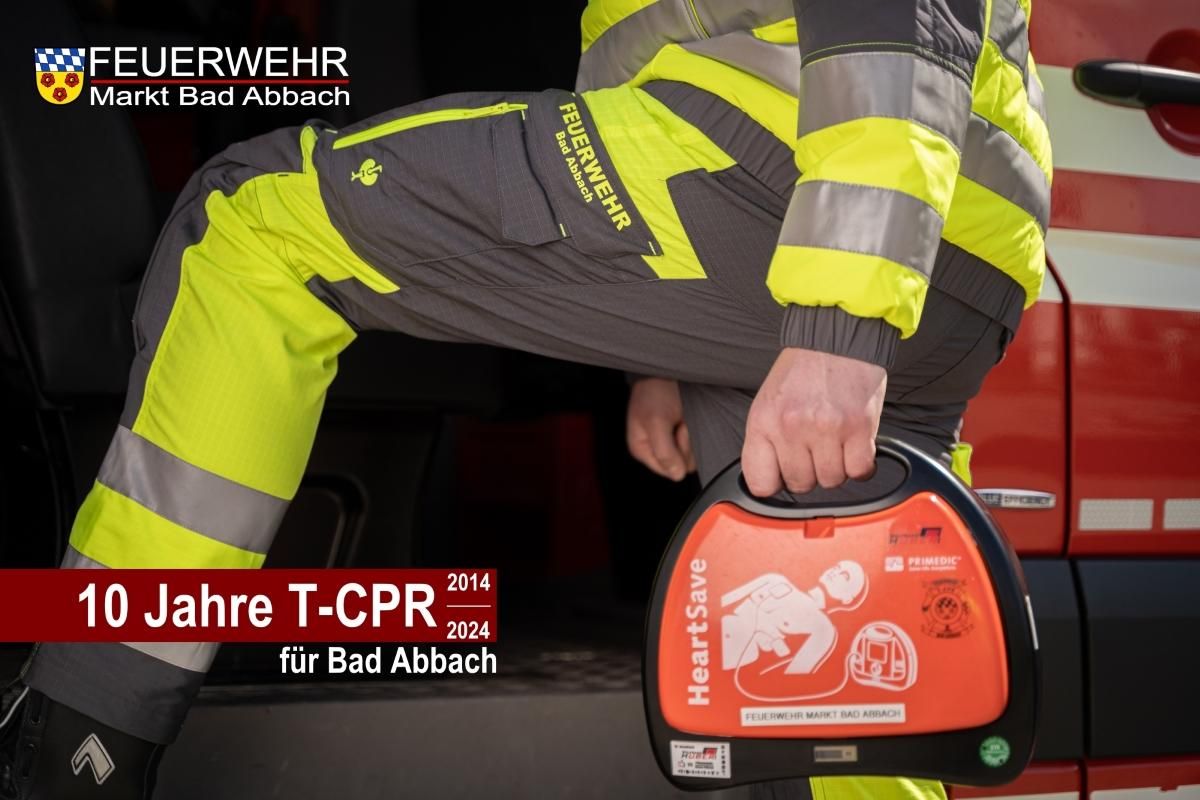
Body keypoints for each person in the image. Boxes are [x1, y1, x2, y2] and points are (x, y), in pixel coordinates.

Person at [0, 0, 1049, 797]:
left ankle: (81, 739)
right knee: (823, 695)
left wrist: (838, 327)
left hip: (783, 162)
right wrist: (667, 349)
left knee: (250, 228)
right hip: (951, 243)